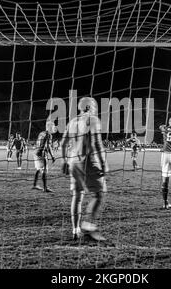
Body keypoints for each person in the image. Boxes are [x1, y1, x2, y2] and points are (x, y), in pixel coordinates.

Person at [61, 97, 108, 241]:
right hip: (87, 160)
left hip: (73, 161)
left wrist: (64, 161)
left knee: (77, 196)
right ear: (89, 107)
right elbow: (96, 144)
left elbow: (63, 144)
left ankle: (75, 230)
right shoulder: (92, 120)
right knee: (99, 194)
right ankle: (87, 225)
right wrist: (103, 162)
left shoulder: (72, 121)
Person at [32, 122, 57, 192]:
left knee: (39, 169)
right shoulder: (49, 135)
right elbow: (48, 146)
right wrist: (52, 156)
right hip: (41, 153)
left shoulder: (41, 133)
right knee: (44, 170)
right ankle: (45, 188)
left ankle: (35, 185)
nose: (53, 128)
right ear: (50, 127)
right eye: (53, 126)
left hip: (35, 152)